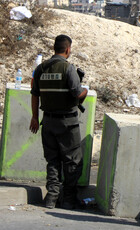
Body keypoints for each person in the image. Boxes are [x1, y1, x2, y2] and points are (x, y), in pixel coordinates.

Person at [29, 34, 88, 209]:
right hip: (67, 123)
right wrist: (84, 89)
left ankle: (51, 198)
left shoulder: (41, 68)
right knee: (72, 161)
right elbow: (78, 94)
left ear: (54, 48)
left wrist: (34, 117)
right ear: (68, 49)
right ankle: (68, 199)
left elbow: (35, 95)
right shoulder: (68, 69)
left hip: (47, 122)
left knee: (53, 161)